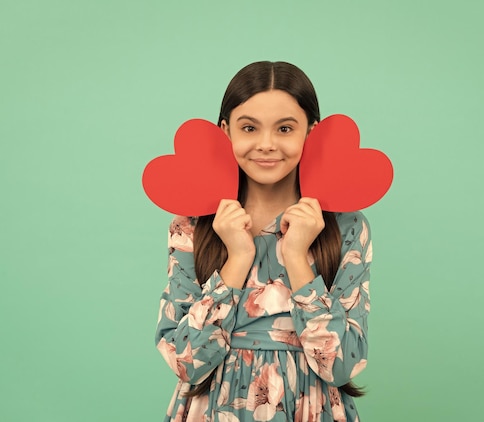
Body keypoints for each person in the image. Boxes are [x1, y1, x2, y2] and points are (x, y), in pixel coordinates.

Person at [155, 61, 372, 422]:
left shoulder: (345, 225)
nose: (267, 144)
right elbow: (184, 361)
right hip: (213, 410)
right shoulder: (192, 224)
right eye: (249, 128)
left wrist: (298, 257)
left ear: (311, 132)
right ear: (225, 132)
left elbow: (343, 365)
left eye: (285, 128)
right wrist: (237, 258)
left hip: (310, 408)